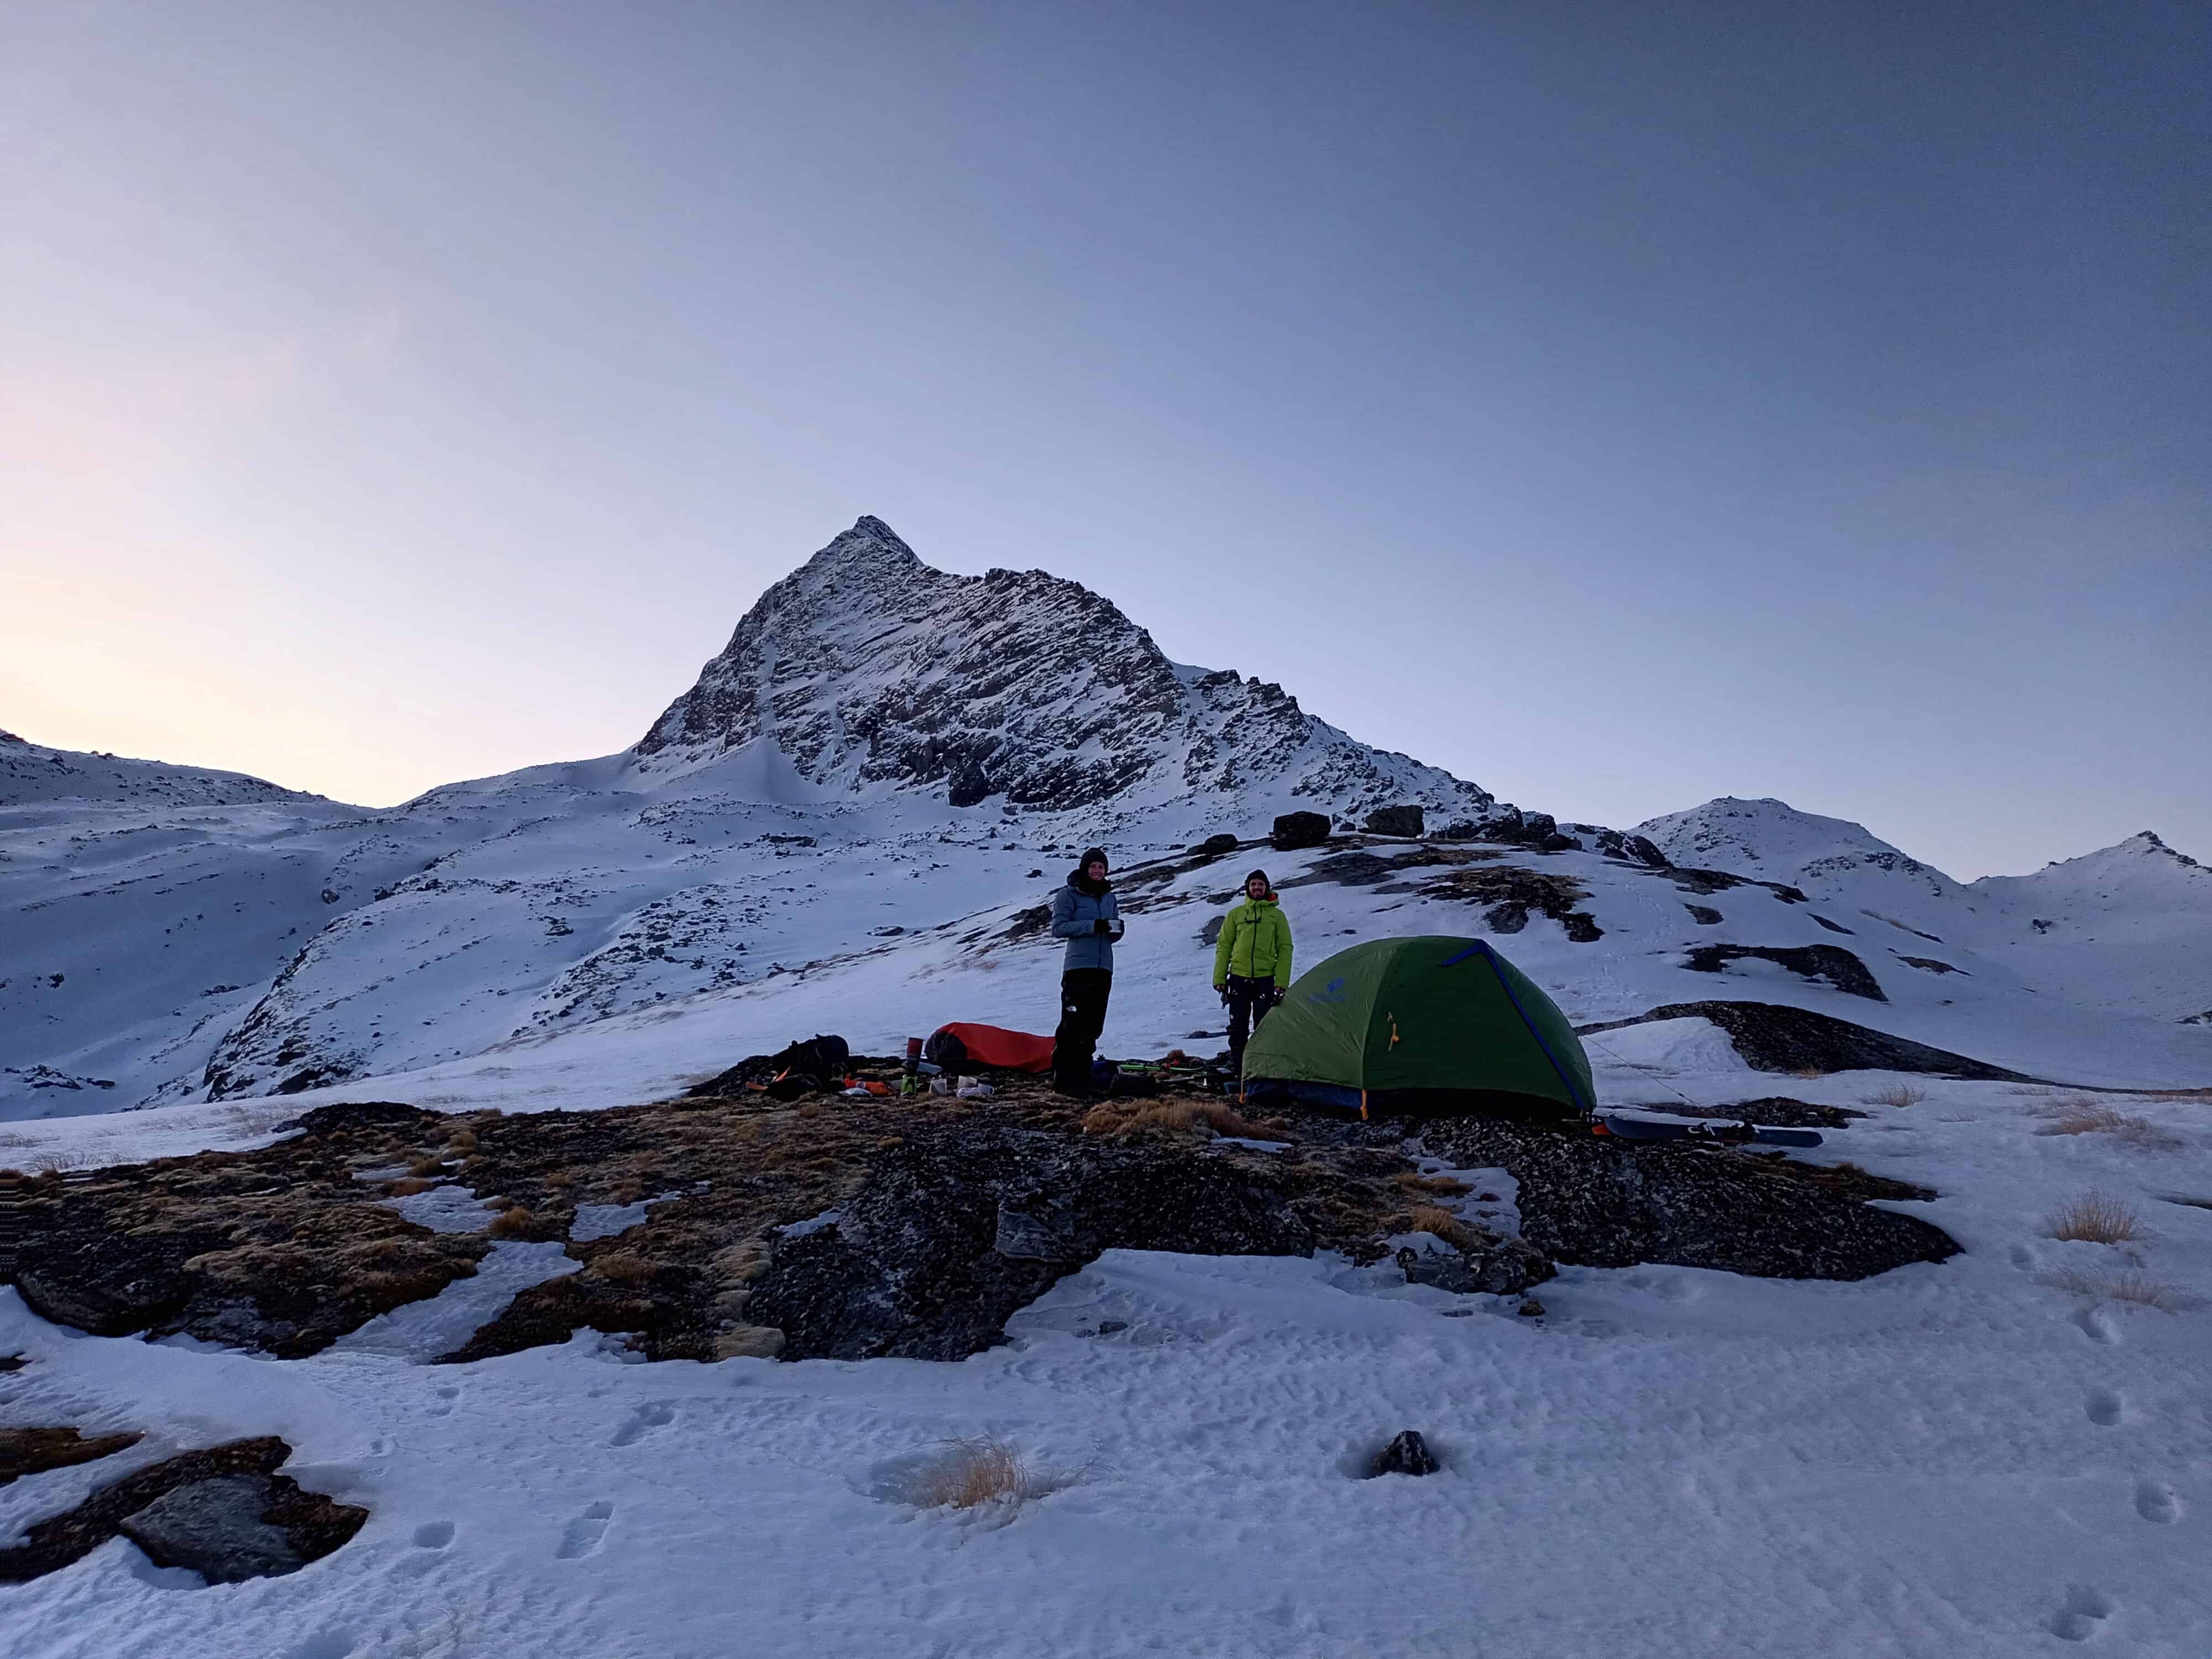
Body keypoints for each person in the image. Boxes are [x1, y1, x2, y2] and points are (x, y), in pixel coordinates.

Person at [1049, 847, 1122, 1095]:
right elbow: (1059, 928)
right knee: (1072, 1025)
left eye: (1101, 867)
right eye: (1093, 867)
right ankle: (1064, 1081)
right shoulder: (1068, 894)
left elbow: (1112, 931)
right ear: (1085, 868)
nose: (1097, 871)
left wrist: (1116, 931)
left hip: (1103, 968)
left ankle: (1083, 1079)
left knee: (1093, 1026)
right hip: (1078, 968)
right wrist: (1093, 925)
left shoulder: (1109, 897)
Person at [1214, 868, 1292, 1075]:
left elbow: (1285, 948)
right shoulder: (1236, 915)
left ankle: (1262, 1065)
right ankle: (1238, 1064)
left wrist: (1281, 982)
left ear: (1267, 888)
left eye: (1261, 884)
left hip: (1265, 979)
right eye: (1253, 884)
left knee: (1264, 1025)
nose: (1257, 888)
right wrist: (1220, 977)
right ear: (1247, 888)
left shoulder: (1277, 916)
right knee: (1237, 1024)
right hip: (1239, 978)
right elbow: (1224, 946)